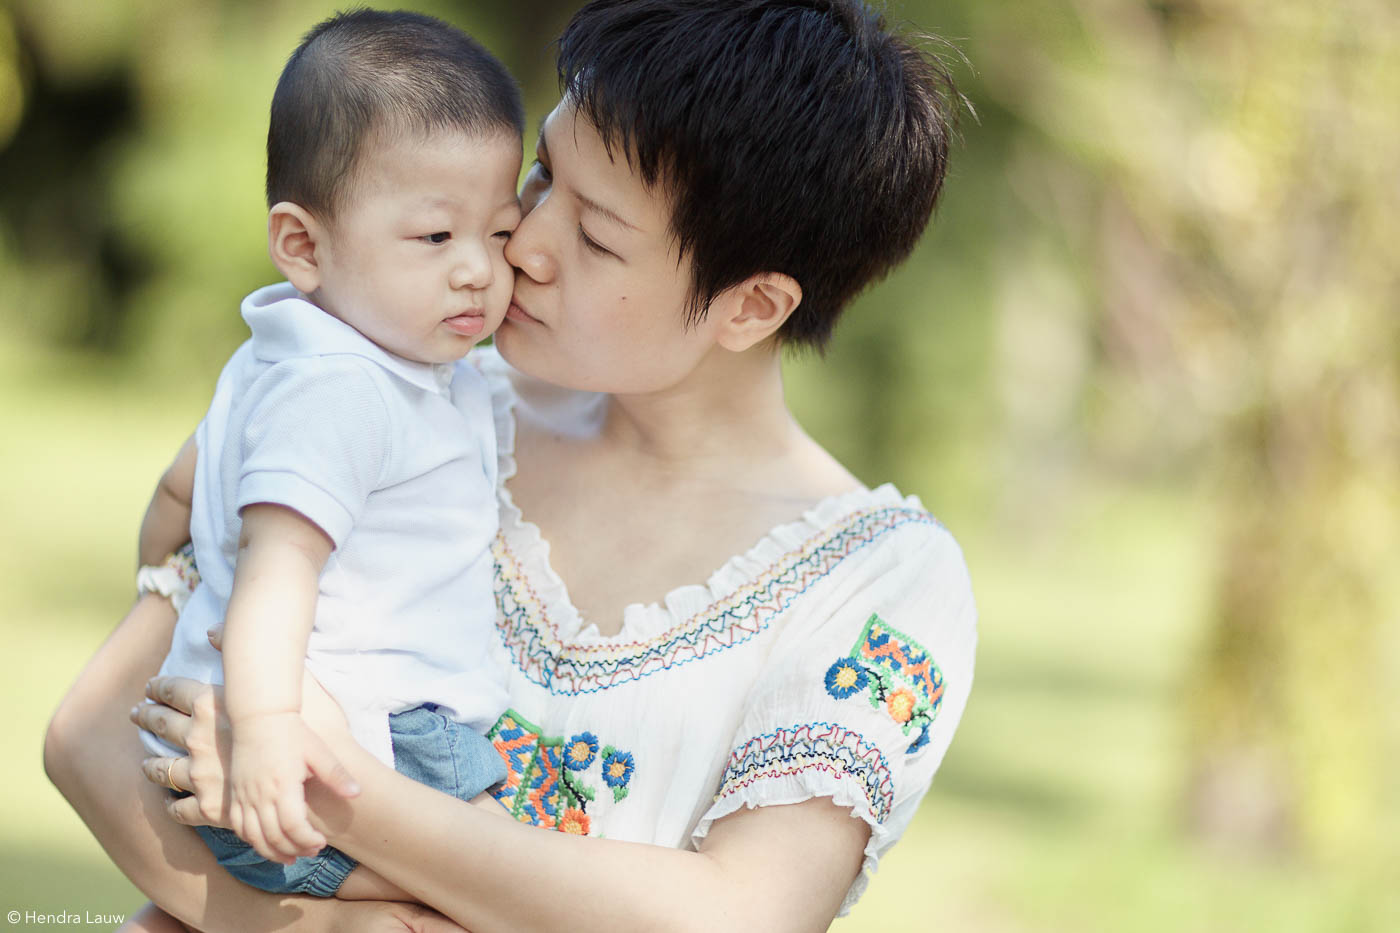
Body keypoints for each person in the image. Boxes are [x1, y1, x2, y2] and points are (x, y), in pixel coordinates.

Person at [45, 2, 978, 931]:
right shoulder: (397, 388)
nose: (520, 245)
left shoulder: (875, 580)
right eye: (542, 171)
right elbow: (91, 737)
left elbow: (737, 916)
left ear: (751, 307)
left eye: (598, 237)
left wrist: (345, 793)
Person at [132, 8, 525, 912]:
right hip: (344, 731)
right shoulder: (346, 392)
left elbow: (177, 486)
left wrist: (156, 572)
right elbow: (279, 568)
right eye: (435, 238)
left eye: (499, 233)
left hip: (284, 722)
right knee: (507, 889)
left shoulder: (284, 352)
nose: (477, 269)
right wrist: (266, 732)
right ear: (304, 245)